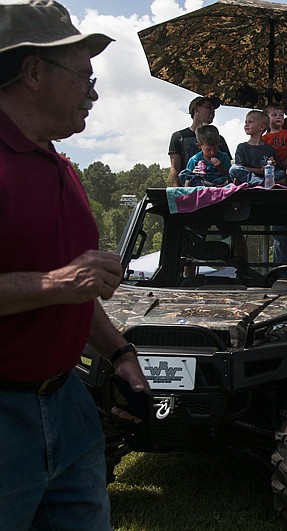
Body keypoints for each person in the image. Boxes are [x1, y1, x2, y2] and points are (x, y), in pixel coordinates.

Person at [0, 2, 149, 529]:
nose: (95, 91)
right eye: (84, 75)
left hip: (69, 405)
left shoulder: (64, 168)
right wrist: (58, 281)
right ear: (34, 71)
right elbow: (64, 285)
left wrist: (120, 352)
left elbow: (73, 297)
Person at [168, 95, 231, 187]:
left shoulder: (218, 138)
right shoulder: (179, 137)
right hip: (191, 187)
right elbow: (175, 168)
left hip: (218, 188)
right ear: (196, 109)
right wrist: (177, 191)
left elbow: (228, 169)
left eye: (214, 109)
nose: (213, 112)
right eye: (208, 107)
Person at [230, 110, 280, 186]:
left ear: (262, 127)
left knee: (282, 173)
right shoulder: (242, 147)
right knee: (234, 169)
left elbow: (275, 168)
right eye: (246, 122)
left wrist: (272, 165)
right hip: (250, 177)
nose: (246, 125)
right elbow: (240, 167)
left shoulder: (269, 149)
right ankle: (259, 182)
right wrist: (260, 171)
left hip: (265, 177)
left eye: (250, 122)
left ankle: (261, 182)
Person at [262, 101, 287, 175]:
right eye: (274, 115)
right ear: (266, 119)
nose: (278, 117)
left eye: (281, 115)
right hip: (272, 168)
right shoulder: (264, 138)